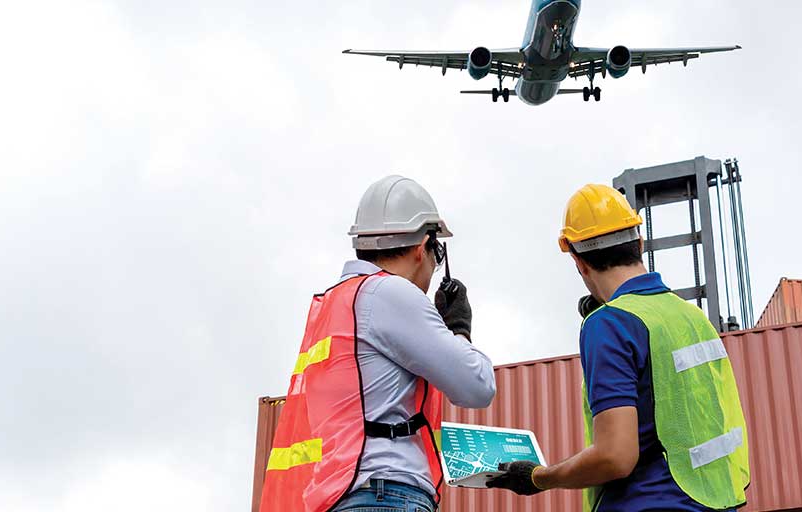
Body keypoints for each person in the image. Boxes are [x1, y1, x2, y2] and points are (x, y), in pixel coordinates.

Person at [487, 184, 752, 511]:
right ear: (639, 242)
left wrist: (539, 477)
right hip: (716, 502)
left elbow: (615, 456)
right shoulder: (691, 316)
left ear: (579, 262)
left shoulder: (609, 325)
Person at [260, 176, 497, 512]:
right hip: (386, 492)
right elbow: (478, 386)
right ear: (422, 247)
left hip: (340, 494)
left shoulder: (336, 303)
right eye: (436, 255)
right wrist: (458, 328)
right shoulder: (389, 293)